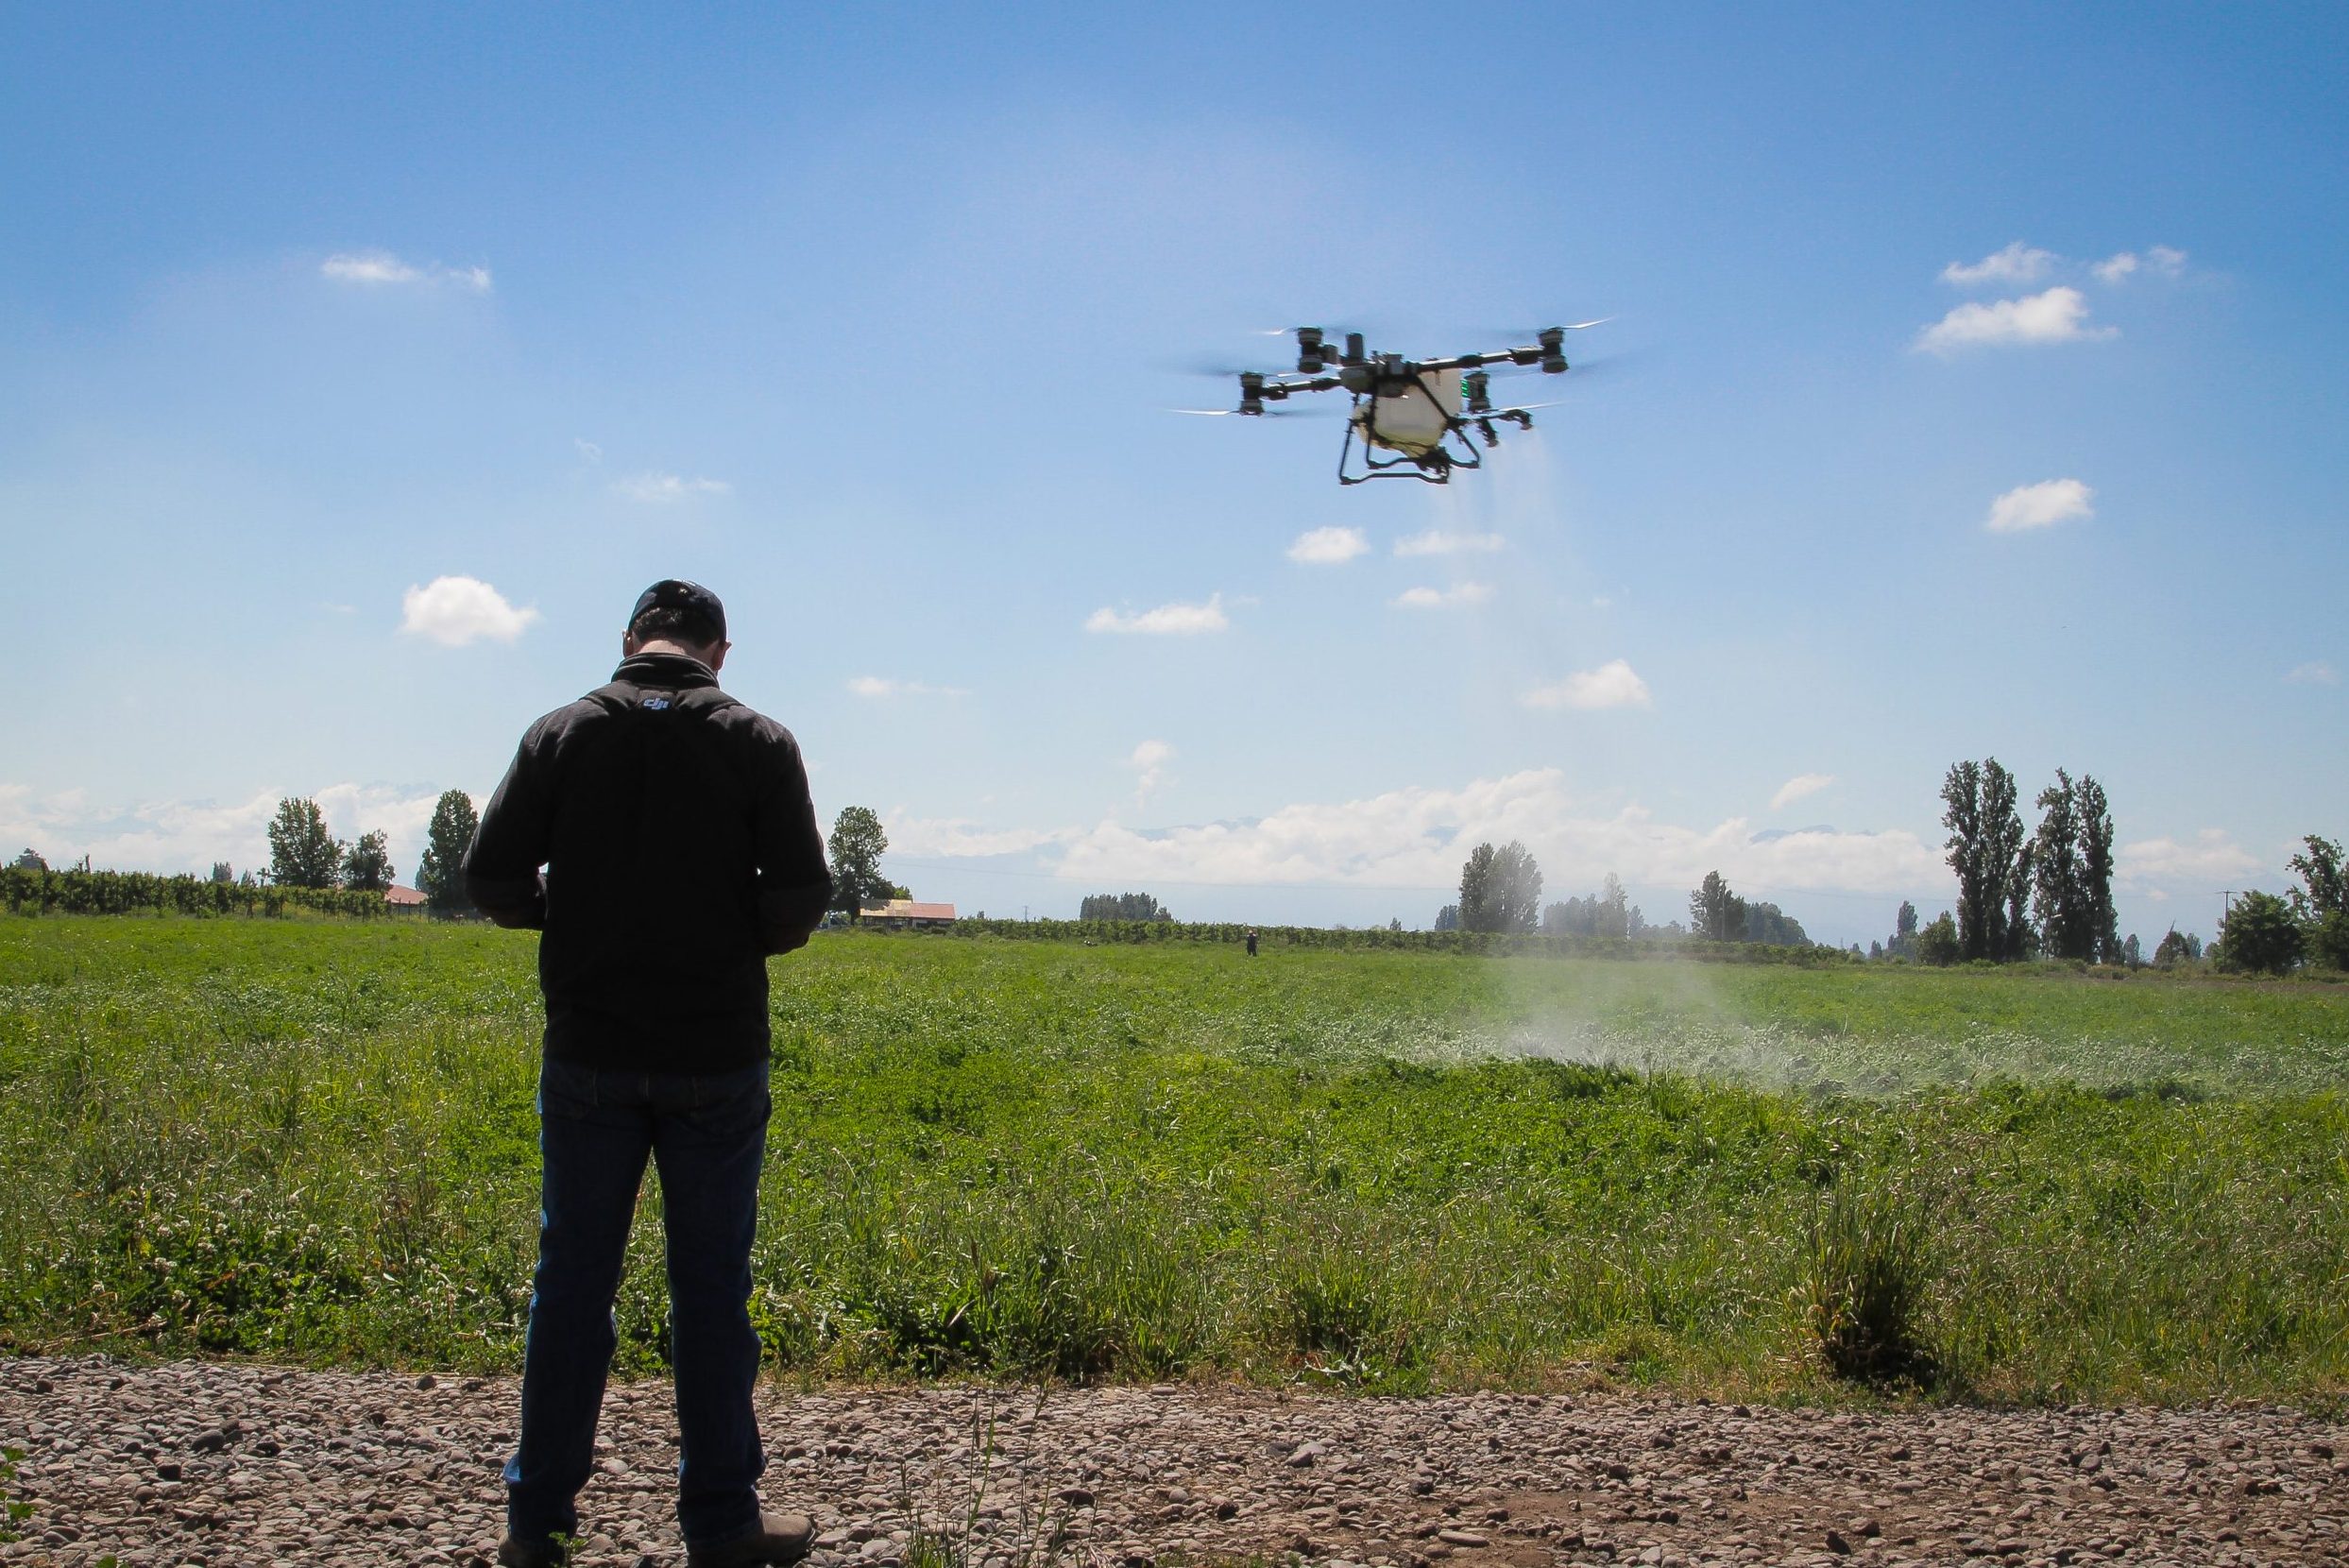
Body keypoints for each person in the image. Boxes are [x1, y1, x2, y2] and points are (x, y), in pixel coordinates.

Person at [465, 580, 833, 1568]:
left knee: (572, 1282)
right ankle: (720, 1523)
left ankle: (537, 1523)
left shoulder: (559, 734)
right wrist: (729, 934)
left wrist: (565, 918)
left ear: (632, 642)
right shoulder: (760, 742)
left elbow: (492, 878)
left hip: (590, 1047)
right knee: (711, 1285)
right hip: (715, 1050)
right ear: (719, 652)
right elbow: (800, 896)